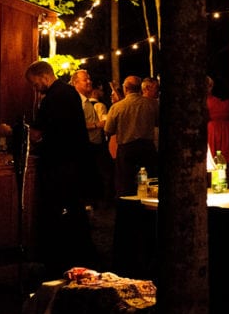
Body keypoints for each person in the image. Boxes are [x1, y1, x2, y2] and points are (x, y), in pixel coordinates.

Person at [25, 60, 97, 277]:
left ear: (44, 76)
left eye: (34, 83)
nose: (35, 88)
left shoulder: (53, 98)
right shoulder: (70, 93)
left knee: (57, 210)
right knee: (74, 208)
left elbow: (40, 133)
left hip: (58, 163)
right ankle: (82, 253)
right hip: (76, 161)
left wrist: (18, 132)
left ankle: (59, 256)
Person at [104, 74, 159, 197]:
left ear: (125, 89)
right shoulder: (152, 104)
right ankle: (148, 209)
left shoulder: (117, 107)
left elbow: (108, 130)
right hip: (147, 148)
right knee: (149, 182)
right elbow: (158, 122)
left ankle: (128, 211)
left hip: (126, 149)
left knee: (125, 185)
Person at [71, 68, 109, 206]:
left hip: (93, 147)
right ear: (75, 83)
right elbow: (74, 125)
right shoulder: (76, 101)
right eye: (85, 79)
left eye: (89, 79)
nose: (89, 81)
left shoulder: (86, 101)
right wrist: (97, 124)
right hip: (85, 147)